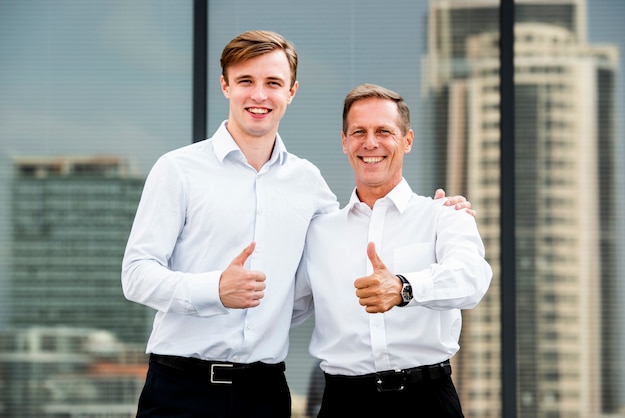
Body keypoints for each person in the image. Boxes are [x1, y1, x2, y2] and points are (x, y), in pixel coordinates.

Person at [122, 30, 472, 417]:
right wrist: (214, 289)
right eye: (245, 81)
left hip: (265, 392)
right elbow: (136, 275)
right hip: (180, 388)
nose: (259, 95)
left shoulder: (309, 184)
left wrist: (440, 213)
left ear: (291, 91)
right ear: (225, 85)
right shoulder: (178, 170)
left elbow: (347, 246)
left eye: (273, 83)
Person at [293, 83, 493, 417]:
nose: (370, 143)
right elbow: (286, 309)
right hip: (344, 404)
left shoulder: (443, 215)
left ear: (407, 140)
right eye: (359, 131)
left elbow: (472, 278)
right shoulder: (318, 233)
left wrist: (404, 287)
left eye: (384, 131)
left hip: (427, 402)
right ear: (344, 141)